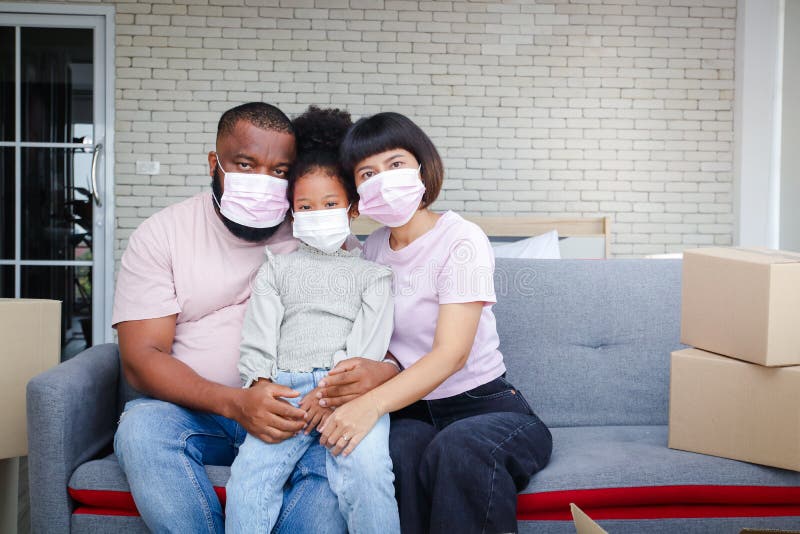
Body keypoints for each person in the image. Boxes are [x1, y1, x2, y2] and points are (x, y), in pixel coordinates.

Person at [111, 102, 398, 534]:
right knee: (140, 427)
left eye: (279, 171)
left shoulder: (315, 223)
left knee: (335, 477)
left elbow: (368, 329)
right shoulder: (163, 234)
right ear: (216, 163)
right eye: (246, 165)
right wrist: (237, 403)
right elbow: (140, 357)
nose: (263, 182)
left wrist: (374, 372)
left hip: (301, 416)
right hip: (203, 414)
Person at [316, 112, 553, 533]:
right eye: (367, 172)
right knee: (398, 451)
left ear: (423, 167)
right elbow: (381, 338)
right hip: (412, 411)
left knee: (458, 448)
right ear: (358, 191)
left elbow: (452, 353)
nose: (383, 178)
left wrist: (368, 404)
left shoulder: (460, 238)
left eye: (395, 164)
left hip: (485, 407)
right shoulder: (372, 249)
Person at [225, 106, 400, 533]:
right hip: (283, 389)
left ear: (351, 209)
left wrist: (328, 394)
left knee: (369, 473)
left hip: (348, 392)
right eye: (305, 205)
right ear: (291, 214)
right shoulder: (275, 268)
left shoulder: (374, 275)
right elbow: (259, 334)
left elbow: (368, 344)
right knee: (249, 479)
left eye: (330, 203)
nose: (317, 212)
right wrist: (259, 381)